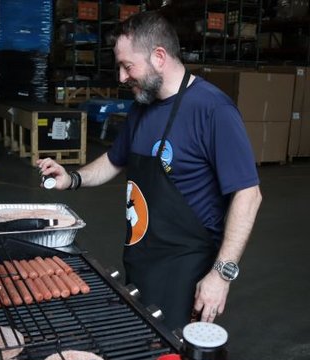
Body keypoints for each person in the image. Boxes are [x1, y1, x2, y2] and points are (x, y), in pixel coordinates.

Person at [37, 9, 262, 331]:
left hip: (185, 268)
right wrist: (72, 178)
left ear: (159, 57)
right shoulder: (142, 106)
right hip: (139, 257)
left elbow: (248, 194)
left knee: (170, 350)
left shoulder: (213, 110)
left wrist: (221, 274)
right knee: (141, 340)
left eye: (128, 66)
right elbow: (115, 159)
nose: (121, 77)